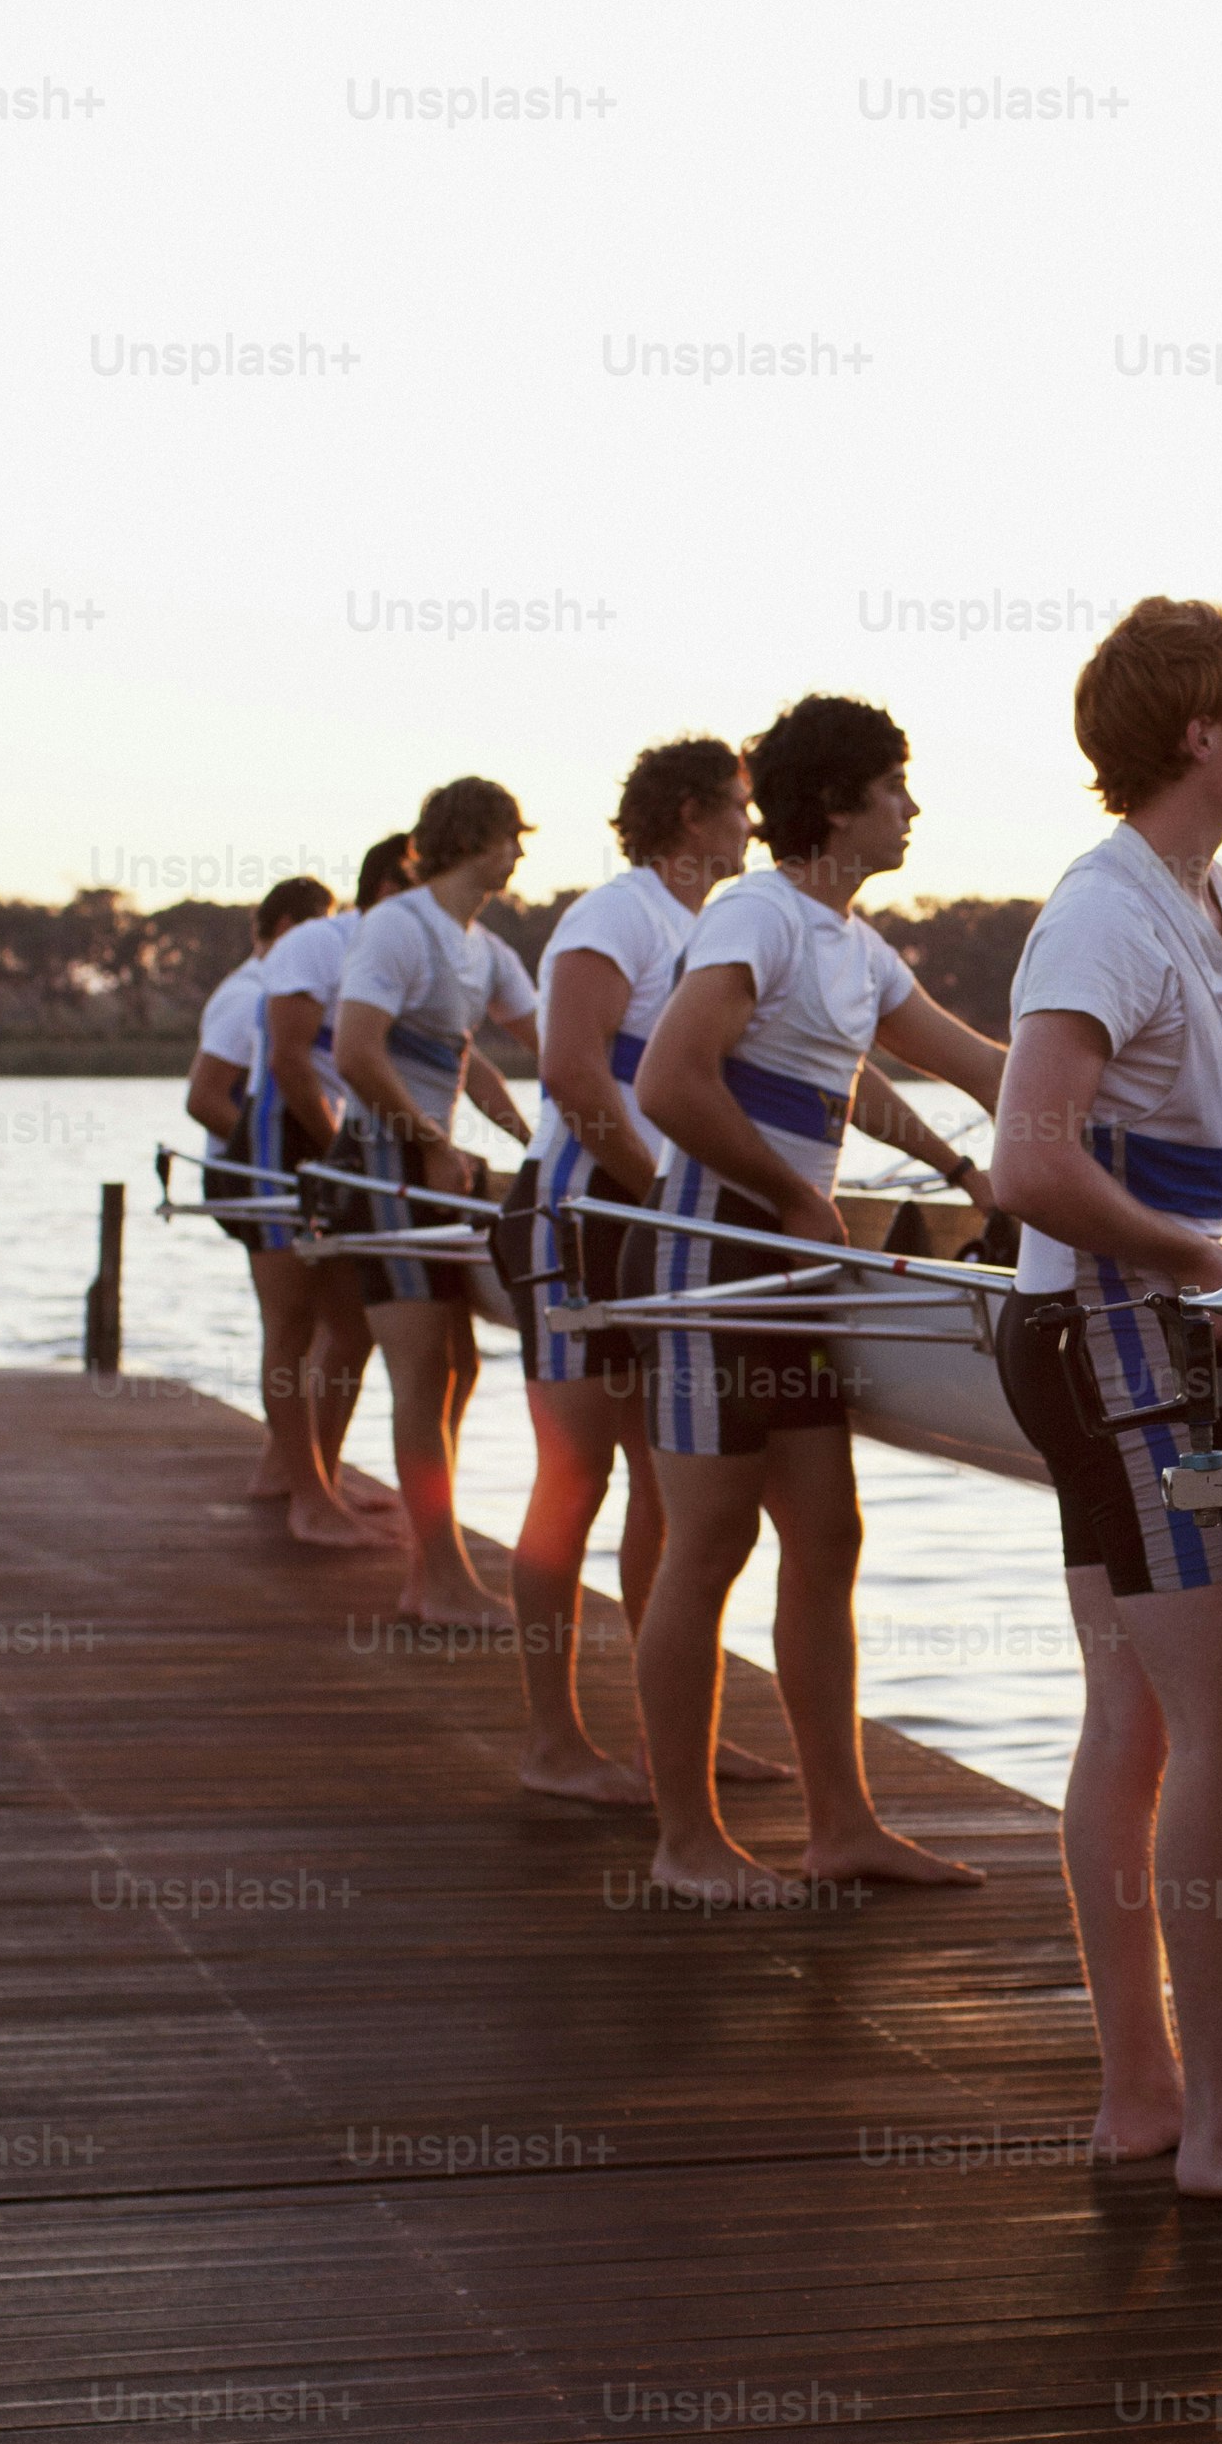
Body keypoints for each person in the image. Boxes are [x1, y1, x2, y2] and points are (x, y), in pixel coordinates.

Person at [989, 602, 1222, 2204]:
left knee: (1138, 1721)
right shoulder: (1104, 916)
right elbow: (1030, 1159)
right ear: (1201, 735)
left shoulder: (1216, 902)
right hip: (1113, 1342)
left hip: (1104, 1333)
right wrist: (1201, 1262)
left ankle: (1146, 2093)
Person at [627, 694, 1007, 1906]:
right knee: (709, 1544)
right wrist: (788, 1197)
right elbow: (669, 1079)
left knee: (827, 1535)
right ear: (837, 804)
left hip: (789, 1262)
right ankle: (684, 1842)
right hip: (711, 1257)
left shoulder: (853, 942)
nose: (912, 807)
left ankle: (839, 1825)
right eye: (894, 785)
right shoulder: (755, 911)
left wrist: (984, 1158)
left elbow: (959, 1062)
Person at [503, 738, 755, 1805]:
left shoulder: (710, 927)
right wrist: (660, 1192)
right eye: (739, 806)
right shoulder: (618, 912)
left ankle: (672, 1736)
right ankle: (554, 1741)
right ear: (691, 815)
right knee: (576, 1481)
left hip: (649, 1225)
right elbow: (566, 1066)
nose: (752, 823)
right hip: (577, 1224)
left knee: (668, 1491)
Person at [338, 779, 542, 1630]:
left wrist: (540, 1137)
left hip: (428, 1169)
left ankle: (434, 1568)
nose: (521, 853)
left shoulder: (481, 947)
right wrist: (429, 1137)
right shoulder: (398, 926)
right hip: (383, 1167)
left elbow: (537, 1045)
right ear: (478, 840)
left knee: (457, 1370)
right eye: (512, 837)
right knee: (422, 1374)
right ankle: (440, 1581)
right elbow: (355, 1051)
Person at [256, 839, 415, 1548]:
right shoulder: (318, 942)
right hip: (284, 1143)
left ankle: (317, 1473)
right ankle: (306, 1497)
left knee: (351, 1326)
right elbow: (292, 1061)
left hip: (347, 1150)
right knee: (290, 1327)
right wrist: (336, 1156)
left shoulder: (414, 950)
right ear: (389, 884)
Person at [185, 875, 340, 1503]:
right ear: (284, 930)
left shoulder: (293, 992)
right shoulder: (246, 993)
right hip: (255, 1177)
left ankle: (299, 1465)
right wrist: (268, 1164)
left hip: (293, 1175)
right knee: (293, 1324)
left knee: (329, 1323)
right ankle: (294, 1472)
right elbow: (202, 1097)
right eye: (316, 931)